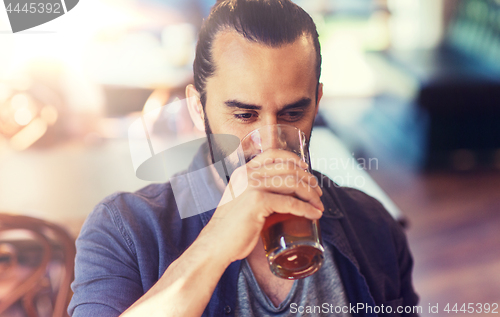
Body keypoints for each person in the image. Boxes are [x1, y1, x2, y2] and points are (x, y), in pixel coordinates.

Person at [68, 0, 419, 316]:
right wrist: (215, 244)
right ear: (198, 109)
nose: (270, 141)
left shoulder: (374, 226)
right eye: (245, 116)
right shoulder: (123, 229)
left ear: (317, 101)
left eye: (293, 113)